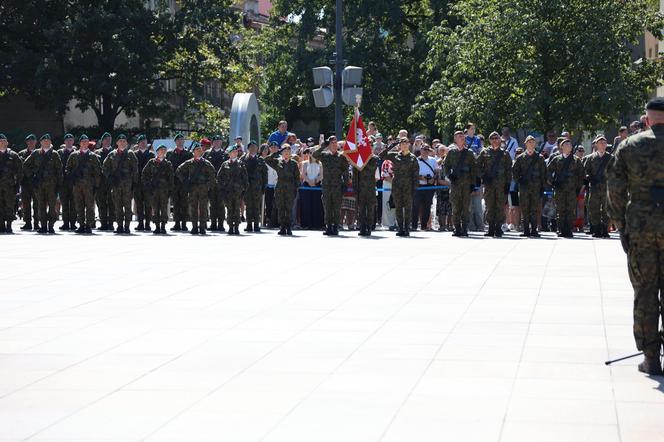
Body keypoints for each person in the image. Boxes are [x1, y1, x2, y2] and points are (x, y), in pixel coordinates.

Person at [607, 97, 664, 375]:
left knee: (645, 291)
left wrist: (620, 225)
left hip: (641, 227)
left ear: (646, 120)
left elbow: (615, 189)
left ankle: (651, 357)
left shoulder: (630, 146)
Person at [22, 134, 63, 234]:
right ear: (40, 142)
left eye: (48, 141)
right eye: (44, 141)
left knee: (52, 206)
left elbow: (59, 170)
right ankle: (43, 225)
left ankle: (51, 225)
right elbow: (25, 165)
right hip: (39, 185)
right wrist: (31, 176)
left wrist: (59, 184)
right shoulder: (36, 153)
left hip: (52, 185)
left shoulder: (54, 154)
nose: (46, 142)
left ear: (50, 142)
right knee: (41, 206)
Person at [379, 137, 418, 237]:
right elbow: (381, 155)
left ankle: (406, 228)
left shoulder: (413, 158)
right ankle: (400, 228)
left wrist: (414, 188)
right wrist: (392, 145)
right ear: (399, 145)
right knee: (398, 208)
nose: (404, 145)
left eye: (406, 143)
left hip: (408, 186)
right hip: (397, 186)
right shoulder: (394, 155)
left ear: (409, 144)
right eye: (402, 143)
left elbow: (415, 175)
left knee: (408, 209)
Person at [547, 139, 584, 238]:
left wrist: (578, 187)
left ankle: (569, 230)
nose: (568, 146)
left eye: (570, 144)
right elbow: (548, 171)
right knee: (560, 210)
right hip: (559, 189)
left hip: (572, 189)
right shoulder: (556, 159)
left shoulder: (576, 160)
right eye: (566, 144)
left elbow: (581, 175)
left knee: (570, 210)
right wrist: (552, 182)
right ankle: (561, 229)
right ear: (561, 147)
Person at [65, 135, 101, 234]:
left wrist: (96, 185)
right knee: (79, 205)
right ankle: (81, 224)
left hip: (89, 186)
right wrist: (72, 178)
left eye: (86, 141)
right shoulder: (73, 155)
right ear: (80, 143)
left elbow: (97, 172)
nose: (85, 143)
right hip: (77, 185)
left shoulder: (92, 156)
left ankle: (89, 225)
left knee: (90, 206)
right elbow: (68, 169)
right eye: (83, 142)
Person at [176, 143, 216, 235]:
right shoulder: (189, 162)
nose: (199, 152)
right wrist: (185, 181)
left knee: (203, 208)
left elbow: (213, 174)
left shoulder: (206, 163)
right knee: (193, 208)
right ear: (193, 152)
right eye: (197, 150)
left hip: (203, 189)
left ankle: (202, 227)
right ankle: (194, 226)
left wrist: (208, 185)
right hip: (192, 188)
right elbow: (179, 170)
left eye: (200, 150)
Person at [478, 131, 512, 237]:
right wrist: (483, 176)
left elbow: (508, 170)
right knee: (490, 206)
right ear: (489, 140)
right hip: (489, 185)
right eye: (492, 138)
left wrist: (508, 184)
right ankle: (491, 228)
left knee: (500, 207)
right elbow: (477, 166)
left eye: (496, 138)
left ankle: (498, 228)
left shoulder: (505, 154)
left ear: (500, 140)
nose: (494, 140)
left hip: (501, 185)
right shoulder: (484, 152)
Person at [443, 130, 478, 237]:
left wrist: (473, 184)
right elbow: (446, 166)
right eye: (459, 136)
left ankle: (464, 229)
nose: (462, 138)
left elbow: (473, 170)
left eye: (463, 136)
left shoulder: (469, 153)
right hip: (455, 184)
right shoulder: (451, 152)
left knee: (466, 208)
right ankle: (457, 228)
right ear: (455, 139)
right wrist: (449, 176)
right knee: (456, 207)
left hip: (467, 184)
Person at [102, 134, 138, 234]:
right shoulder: (112, 154)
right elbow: (105, 168)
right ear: (117, 143)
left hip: (127, 185)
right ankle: (119, 226)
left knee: (127, 207)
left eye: (124, 141)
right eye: (120, 141)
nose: (122, 143)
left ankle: (126, 226)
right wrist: (110, 178)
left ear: (126, 143)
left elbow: (135, 170)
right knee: (117, 207)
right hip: (116, 185)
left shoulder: (131, 154)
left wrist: (134, 184)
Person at [313, 136, 348, 236]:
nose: (333, 145)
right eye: (331, 143)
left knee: (336, 207)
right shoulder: (325, 155)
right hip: (327, 186)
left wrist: (345, 184)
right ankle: (328, 226)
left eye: (335, 143)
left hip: (337, 186)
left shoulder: (341, 157)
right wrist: (323, 146)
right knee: (327, 207)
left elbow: (345, 172)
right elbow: (315, 155)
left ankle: (336, 226)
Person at [513, 135, 547, 237]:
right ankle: (526, 230)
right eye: (529, 142)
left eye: (533, 142)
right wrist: (519, 180)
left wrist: (542, 187)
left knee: (534, 209)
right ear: (525, 144)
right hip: (524, 188)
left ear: (535, 144)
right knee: (525, 209)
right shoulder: (520, 158)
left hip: (536, 188)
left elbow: (543, 173)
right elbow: (514, 172)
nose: (531, 144)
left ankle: (534, 230)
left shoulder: (540, 158)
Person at [265, 144, 300, 235]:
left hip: (290, 188)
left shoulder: (294, 163)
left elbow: (297, 177)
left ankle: (288, 227)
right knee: (280, 208)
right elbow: (267, 160)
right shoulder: (278, 162)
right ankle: (282, 227)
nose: (287, 153)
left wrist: (295, 189)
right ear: (282, 152)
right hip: (280, 187)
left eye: (288, 152)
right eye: (285, 152)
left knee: (288, 208)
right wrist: (275, 152)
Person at [583, 135, 613, 238]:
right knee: (593, 208)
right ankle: (596, 229)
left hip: (606, 188)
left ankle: (605, 229)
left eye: (604, 143)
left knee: (606, 209)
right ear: (596, 144)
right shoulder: (591, 158)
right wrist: (589, 178)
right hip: (594, 187)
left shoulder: (611, 158)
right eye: (600, 143)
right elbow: (585, 171)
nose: (602, 145)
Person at [142, 145, 174, 234]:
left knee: (164, 208)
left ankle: (163, 226)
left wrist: (170, 189)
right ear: (157, 152)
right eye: (161, 150)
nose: (163, 152)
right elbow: (144, 174)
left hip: (164, 190)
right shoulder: (151, 162)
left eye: (164, 150)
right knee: (155, 208)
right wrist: (148, 185)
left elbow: (171, 178)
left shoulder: (168, 163)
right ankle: (156, 226)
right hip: (154, 190)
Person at [218, 145, 248, 235]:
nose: (234, 153)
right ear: (229, 154)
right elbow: (219, 177)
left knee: (237, 209)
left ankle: (237, 227)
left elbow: (245, 178)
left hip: (238, 191)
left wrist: (243, 189)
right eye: (232, 152)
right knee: (230, 209)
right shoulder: (225, 164)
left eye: (235, 152)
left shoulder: (241, 164)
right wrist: (222, 188)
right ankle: (231, 226)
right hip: (228, 191)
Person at [166, 133, 193, 231]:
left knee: (184, 203)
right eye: (178, 140)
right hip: (174, 182)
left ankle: (184, 223)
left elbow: (191, 168)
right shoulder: (170, 153)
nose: (180, 141)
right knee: (176, 203)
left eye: (182, 139)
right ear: (175, 142)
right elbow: (167, 167)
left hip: (184, 182)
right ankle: (177, 223)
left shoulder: (189, 154)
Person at [241, 140, 268, 232]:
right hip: (247, 187)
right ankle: (249, 225)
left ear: (257, 149)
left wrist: (264, 186)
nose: (253, 149)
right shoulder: (243, 159)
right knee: (248, 206)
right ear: (248, 149)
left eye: (255, 147)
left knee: (256, 206)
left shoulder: (260, 160)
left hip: (257, 187)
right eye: (251, 147)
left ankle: (256, 225)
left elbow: (265, 174)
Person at [204, 135, 228, 231]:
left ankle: (221, 224)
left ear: (221, 142)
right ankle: (213, 223)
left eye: (219, 141)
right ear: (212, 142)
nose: (217, 142)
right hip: (211, 182)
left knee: (221, 204)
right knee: (212, 204)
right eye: (215, 141)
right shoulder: (207, 153)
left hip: (222, 183)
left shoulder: (225, 154)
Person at [352, 150, 379, 236]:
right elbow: (355, 174)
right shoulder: (358, 159)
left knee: (370, 210)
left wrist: (366, 159)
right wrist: (355, 187)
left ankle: (369, 228)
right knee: (361, 210)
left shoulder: (373, 159)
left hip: (370, 189)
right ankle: (362, 228)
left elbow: (372, 169)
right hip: (360, 188)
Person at [0, 133, 22, 234]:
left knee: (9, 205)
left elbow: (19, 171)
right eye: (0, 141)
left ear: (7, 143)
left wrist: (17, 185)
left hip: (9, 186)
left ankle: (9, 225)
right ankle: (1, 225)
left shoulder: (13, 155)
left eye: (3, 141)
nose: (1, 143)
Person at [412, 144, 438, 231]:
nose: (426, 151)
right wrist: (422, 177)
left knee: (427, 206)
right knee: (415, 206)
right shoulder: (415, 160)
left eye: (427, 149)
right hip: (418, 186)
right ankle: (414, 225)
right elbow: (413, 173)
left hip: (429, 186)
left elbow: (437, 172)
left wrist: (433, 179)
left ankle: (424, 226)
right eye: (424, 149)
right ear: (421, 150)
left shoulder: (433, 160)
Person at [299, 147, 324, 230]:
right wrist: (309, 181)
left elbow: (321, 175)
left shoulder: (320, 163)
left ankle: (317, 224)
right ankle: (306, 224)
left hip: (317, 186)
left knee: (317, 205)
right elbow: (303, 174)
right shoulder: (305, 163)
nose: (312, 154)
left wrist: (316, 180)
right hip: (307, 186)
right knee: (306, 205)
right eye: (311, 152)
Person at [134, 134, 154, 231]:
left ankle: (148, 224)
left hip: (148, 184)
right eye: (141, 141)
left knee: (148, 205)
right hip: (137, 183)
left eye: (144, 141)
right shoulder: (134, 154)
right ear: (138, 144)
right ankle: (140, 223)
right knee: (139, 204)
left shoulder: (151, 155)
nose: (143, 143)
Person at [18, 134, 39, 230]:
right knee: (26, 204)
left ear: (36, 142)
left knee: (37, 204)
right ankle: (27, 223)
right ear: (26, 142)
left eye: (33, 141)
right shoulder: (21, 154)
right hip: (25, 182)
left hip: (36, 183)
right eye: (29, 141)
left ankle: (36, 223)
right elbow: (19, 168)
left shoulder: (39, 153)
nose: (31, 143)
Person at [94, 132, 114, 230]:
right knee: (101, 203)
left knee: (112, 203)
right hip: (100, 182)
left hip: (111, 182)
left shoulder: (114, 152)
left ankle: (111, 224)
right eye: (106, 139)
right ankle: (103, 223)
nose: (108, 141)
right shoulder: (97, 153)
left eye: (109, 139)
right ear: (102, 141)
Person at [57, 133, 76, 230]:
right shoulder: (59, 153)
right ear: (64, 142)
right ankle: (65, 223)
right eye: (67, 140)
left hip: (74, 182)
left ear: (73, 141)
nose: (69, 142)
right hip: (63, 182)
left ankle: (73, 223)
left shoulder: (76, 152)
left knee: (74, 203)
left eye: (71, 140)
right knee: (64, 203)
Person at [435, 145, 452, 231]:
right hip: (441, 189)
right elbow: (438, 178)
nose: (444, 152)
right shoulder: (439, 162)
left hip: (451, 189)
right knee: (441, 208)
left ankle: (450, 226)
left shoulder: (453, 163)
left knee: (451, 208)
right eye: (441, 150)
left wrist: (450, 185)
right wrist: (447, 183)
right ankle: (442, 226)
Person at [380, 158, 397, 230]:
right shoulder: (386, 162)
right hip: (388, 185)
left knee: (396, 205)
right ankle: (387, 224)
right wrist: (396, 184)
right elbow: (386, 176)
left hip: (398, 186)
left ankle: (395, 223)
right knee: (388, 204)